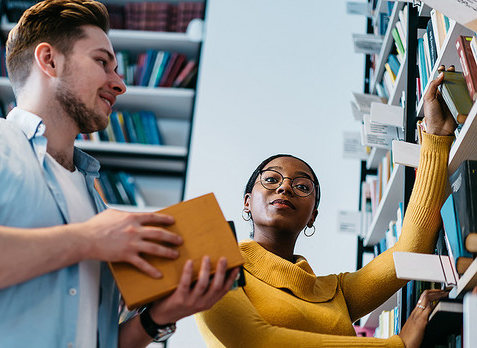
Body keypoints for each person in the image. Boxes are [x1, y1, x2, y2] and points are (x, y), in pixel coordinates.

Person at [0, 1, 239, 347]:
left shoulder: (94, 204)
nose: (120, 84)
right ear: (49, 60)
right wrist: (87, 240)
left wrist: (157, 319)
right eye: (102, 62)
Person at [195, 66, 458, 348]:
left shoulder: (334, 292)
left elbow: (411, 249)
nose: (284, 187)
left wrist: (437, 136)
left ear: (312, 216)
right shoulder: (214, 264)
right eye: (271, 179)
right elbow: (254, 340)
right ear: (247, 202)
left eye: (302, 186)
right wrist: (397, 345)